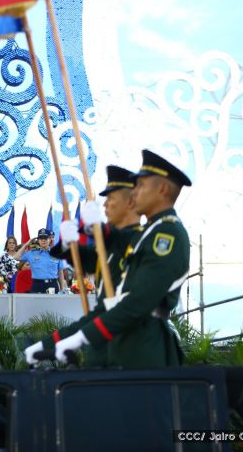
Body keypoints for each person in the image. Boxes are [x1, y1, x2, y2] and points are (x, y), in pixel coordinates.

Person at [50, 149, 192, 369]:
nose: (105, 205)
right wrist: (71, 243)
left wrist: (89, 229)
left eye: (141, 187)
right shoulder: (140, 236)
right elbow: (89, 261)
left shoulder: (153, 235)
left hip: (137, 338)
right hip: (115, 334)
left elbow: (137, 298)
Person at [27, 166, 143, 367]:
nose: (105, 205)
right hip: (105, 345)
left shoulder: (143, 239)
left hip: (134, 348)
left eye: (111, 199)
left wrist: (97, 229)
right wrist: (50, 343)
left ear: (131, 201)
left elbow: (128, 243)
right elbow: (100, 309)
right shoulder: (109, 247)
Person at [19, 229, 65, 293]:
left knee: (52, 303)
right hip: (37, 284)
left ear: (50, 240)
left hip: (52, 284)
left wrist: (62, 289)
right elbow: (16, 257)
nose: (43, 240)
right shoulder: (31, 253)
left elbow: (60, 273)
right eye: (41, 238)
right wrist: (26, 244)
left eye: (45, 238)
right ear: (38, 240)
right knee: (36, 303)